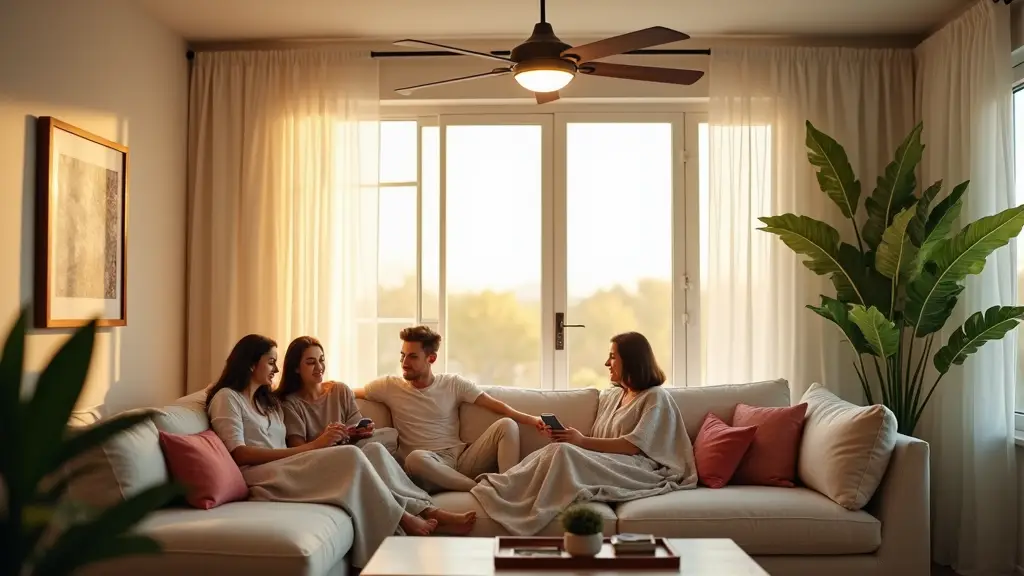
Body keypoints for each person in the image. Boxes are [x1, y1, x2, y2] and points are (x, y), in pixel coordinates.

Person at [205, 334, 475, 569]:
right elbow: (239, 453)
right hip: (260, 476)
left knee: (375, 451)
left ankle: (426, 511)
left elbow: (288, 443)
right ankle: (404, 517)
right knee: (351, 456)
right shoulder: (227, 398)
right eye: (271, 362)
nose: (275, 369)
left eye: (276, 362)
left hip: (286, 465)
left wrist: (340, 438)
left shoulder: (267, 401)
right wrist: (314, 447)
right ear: (252, 363)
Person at [469, 331, 699, 536]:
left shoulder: (655, 397)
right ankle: (503, 487)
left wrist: (581, 441)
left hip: (640, 468)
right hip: (611, 461)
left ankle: (507, 494)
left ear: (630, 360)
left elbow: (633, 446)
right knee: (559, 449)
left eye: (612, 356)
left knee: (564, 453)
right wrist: (572, 438)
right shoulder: (615, 396)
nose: (607, 363)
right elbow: (600, 441)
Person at [354, 325, 545, 492]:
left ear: (432, 358)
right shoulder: (389, 386)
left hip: (459, 462)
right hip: (426, 468)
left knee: (507, 425)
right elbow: (350, 391)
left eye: (412, 357)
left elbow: (496, 406)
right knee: (414, 459)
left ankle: (507, 486)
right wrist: (324, 387)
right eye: (402, 355)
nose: (404, 363)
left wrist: (532, 419)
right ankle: (481, 489)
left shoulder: (453, 384)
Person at [276, 336, 398, 454]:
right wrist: (324, 439)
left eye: (321, 360)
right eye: (311, 362)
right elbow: (297, 451)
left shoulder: (340, 390)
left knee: (385, 438)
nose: (319, 367)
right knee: (360, 451)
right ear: (296, 368)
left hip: (350, 451)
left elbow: (354, 430)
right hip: (319, 458)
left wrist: (360, 431)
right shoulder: (290, 404)